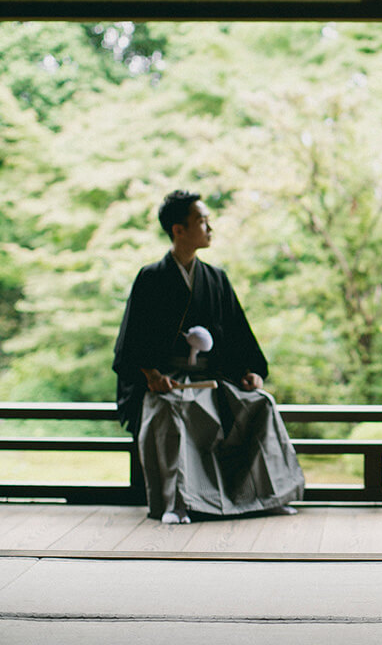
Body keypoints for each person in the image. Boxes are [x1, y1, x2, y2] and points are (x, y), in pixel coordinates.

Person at [113, 190, 304, 524]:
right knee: (170, 415)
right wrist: (153, 375)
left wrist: (250, 371)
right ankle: (177, 504)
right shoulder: (150, 278)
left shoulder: (216, 279)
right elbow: (132, 340)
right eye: (201, 220)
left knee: (261, 404)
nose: (209, 227)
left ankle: (266, 497)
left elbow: (238, 335)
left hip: (213, 378)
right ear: (179, 230)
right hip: (167, 383)